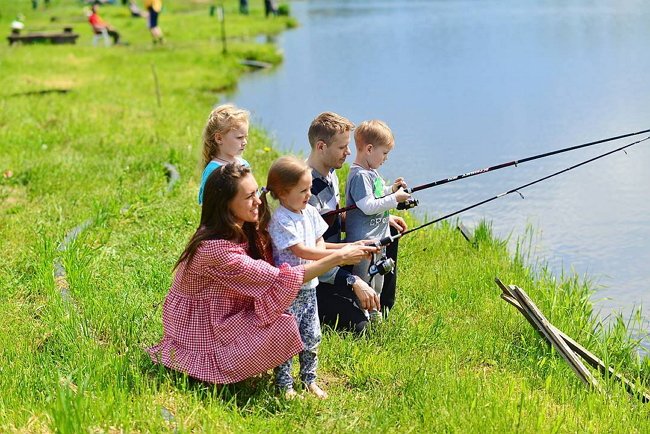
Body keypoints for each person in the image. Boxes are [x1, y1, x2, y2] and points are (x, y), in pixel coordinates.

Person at [147, 163, 376, 385]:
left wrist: (350, 245)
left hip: (224, 311)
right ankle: (218, 362)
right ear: (226, 204)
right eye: (248, 197)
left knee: (287, 323)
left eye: (257, 192)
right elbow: (279, 278)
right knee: (283, 326)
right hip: (200, 326)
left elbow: (306, 251)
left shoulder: (242, 226)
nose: (258, 200)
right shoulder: (215, 249)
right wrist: (341, 257)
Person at [264, 156, 350, 399]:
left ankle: (309, 380)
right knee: (286, 338)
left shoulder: (310, 211)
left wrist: (349, 247)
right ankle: (285, 385)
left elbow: (319, 241)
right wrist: (341, 254)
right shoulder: (280, 219)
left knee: (312, 335)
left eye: (310, 188)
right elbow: (302, 250)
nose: (308, 194)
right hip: (289, 290)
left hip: (310, 287)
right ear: (282, 193)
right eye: (303, 190)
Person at [306, 112, 401, 333]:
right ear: (321, 147)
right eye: (342, 148)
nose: (349, 152)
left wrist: (382, 217)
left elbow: (330, 220)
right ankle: (362, 305)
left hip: (335, 259)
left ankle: (381, 307)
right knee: (361, 330)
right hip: (317, 274)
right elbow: (307, 253)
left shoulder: (329, 176)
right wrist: (350, 278)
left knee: (389, 234)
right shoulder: (305, 189)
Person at [345, 120, 411, 320]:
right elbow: (368, 206)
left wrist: (392, 189)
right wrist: (394, 199)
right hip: (364, 242)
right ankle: (362, 313)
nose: (385, 159)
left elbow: (378, 195)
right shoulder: (359, 176)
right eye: (384, 153)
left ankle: (376, 312)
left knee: (378, 278)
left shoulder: (372, 173)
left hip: (378, 239)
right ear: (369, 149)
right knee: (364, 278)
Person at [198, 104, 250, 204]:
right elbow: (208, 205)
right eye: (239, 137)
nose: (245, 142)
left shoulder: (243, 163)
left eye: (245, 137)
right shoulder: (214, 170)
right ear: (219, 138)